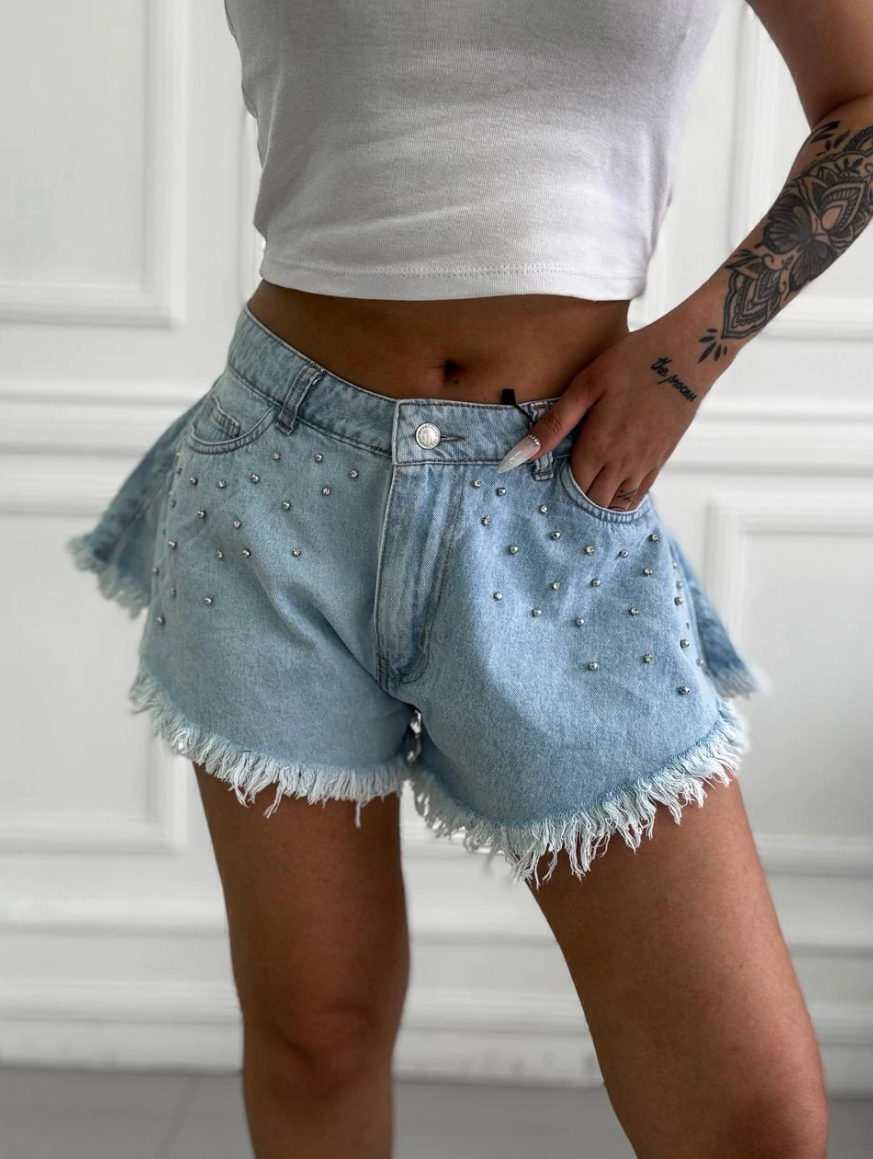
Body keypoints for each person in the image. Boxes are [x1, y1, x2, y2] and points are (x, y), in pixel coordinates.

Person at [67, 1, 872, 1155]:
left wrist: (690, 357)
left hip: (559, 495)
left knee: (755, 1119)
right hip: (277, 480)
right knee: (315, 1036)